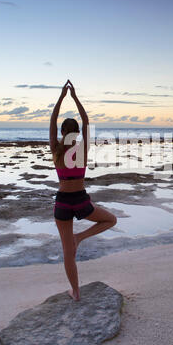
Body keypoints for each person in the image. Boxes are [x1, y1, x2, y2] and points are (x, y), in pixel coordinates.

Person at [49, 79, 117, 301]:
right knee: (110, 220)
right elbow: (87, 120)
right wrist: (74, 96)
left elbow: (51, 120)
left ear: (61, 132)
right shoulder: (82, 148)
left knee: (68, 252)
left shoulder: (57, 149)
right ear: (77, 133)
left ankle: (76, 292)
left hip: (62, 202)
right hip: (80, 200)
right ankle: (81, 237)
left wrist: (61, 97)